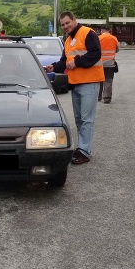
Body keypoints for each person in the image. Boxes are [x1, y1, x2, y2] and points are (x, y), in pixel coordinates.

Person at [45, 11, 103, 165]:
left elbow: (96, 53)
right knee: (79, 119)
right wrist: (54, 67)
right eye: (62, 24)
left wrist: (77, 62)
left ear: (74, 20)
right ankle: (81, 147)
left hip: (89, 82)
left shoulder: (87, 33)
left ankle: (85, 151)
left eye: (67, 23)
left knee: (86, 119)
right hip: (76, 83)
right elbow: (64, 61)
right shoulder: (68, 40)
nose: (65, 26)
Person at [97, 24, 119, 104]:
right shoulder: (114, 38)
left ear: (101, 30)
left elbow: (95, 50)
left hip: (99, 64)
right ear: (109, 30)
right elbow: (117, 50)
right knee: (108, 81)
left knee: (99, 80)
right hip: (110, 64)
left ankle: (98, 97)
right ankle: (107, 98)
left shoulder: (98, 38)